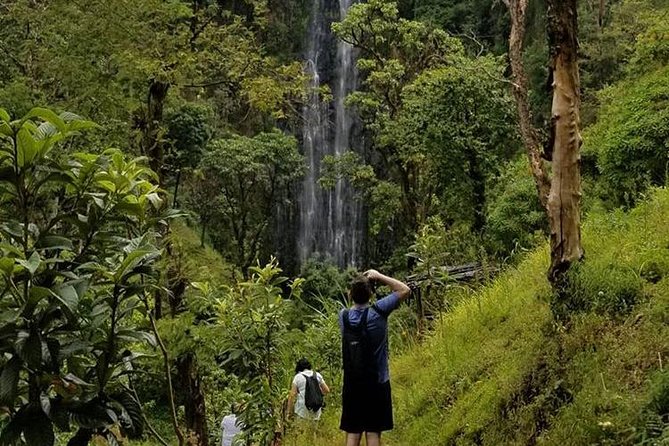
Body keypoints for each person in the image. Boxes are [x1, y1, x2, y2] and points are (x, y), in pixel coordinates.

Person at [339, 269, 411, 446]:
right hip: (377, 383)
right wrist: (378, 276)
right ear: (371, 294)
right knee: (373, 434)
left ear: (350, 295)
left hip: (352, 385)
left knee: (353, 434)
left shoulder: (343, 317)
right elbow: (404, 290)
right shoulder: (379, 312)